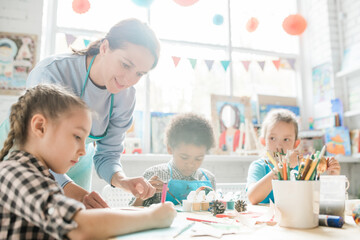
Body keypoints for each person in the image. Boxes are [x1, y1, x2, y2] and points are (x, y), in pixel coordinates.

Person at [0, 18, 160, 208]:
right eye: (125, 65)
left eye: (140, 74)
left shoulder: (125, 96)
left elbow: (107, 154)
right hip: (24, 152)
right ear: (105, 47)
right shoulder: (52, 72)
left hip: (78, 163)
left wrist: (122, 180)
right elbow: (37, 147)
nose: (129, 80)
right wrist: (67, 186)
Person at [0, 84, 176, 239]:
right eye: (77, 136)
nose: (83, 151)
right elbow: (79, 227)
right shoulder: (15, 173)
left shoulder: (40, 175)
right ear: (40, 126)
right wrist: (153, 218)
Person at [246, 109, 341, 205]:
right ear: (263, 141)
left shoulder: (304, 168)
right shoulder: (259, 166)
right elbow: (253, 198)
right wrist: (283, 166)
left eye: (286, 139)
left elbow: (319, 201)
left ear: (296, 144)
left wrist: (333, 177)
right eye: (272, 138)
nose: (279, 146)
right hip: (263, 219)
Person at [131, 113, 216, 206]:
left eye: (198, 158)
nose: (191, 164)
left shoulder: (208, 178)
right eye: (184, 157)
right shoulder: (155, 174)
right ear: (170, 149)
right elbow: (130, 214)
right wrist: (142, 196)